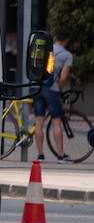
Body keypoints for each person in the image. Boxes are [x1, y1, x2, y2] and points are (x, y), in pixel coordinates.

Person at [34, 30, 75, 163]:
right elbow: (63, 78)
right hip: (52, 90)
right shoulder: (66, 55)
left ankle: (40, 155)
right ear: (66, 41)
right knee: (57, 122)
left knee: (38, 122)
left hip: (37, 88)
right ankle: (60, 155)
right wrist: (60, 88)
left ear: (55, 38)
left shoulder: (44, 50)